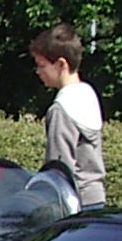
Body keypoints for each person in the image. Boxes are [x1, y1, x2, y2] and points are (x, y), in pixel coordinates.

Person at [29, 23, 106, 210]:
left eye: (41, 65)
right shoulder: (87, 94)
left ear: (62, 64)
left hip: (75, 202)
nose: (38, 72)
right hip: (96, 197)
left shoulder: (61, 109)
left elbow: (59, 170)